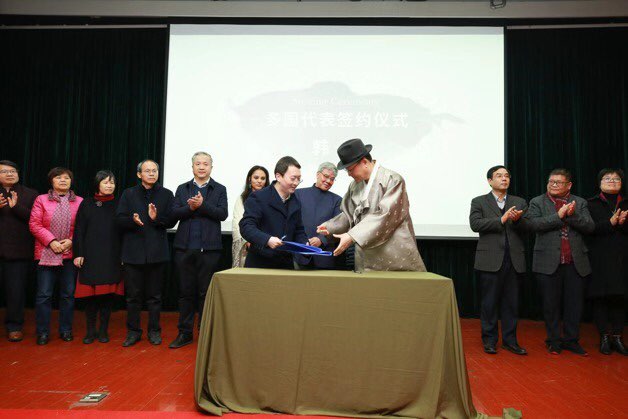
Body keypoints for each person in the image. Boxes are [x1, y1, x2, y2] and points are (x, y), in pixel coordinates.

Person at [317, 138, 426, 272]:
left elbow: (386, 215)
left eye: (350, 169)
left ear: (364, 162)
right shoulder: (354, 186)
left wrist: (352, 236)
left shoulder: (392, 180)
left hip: (394, 252)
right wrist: (330, 227)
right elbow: (349, 215)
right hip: (366, 254)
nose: (349, 174)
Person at [524, 168, 594, 356]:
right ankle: (553, 340)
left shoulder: (579, 203)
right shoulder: (537, 202)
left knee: (575, 304)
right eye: (551, 181)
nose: (553, 185)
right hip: (547, 262)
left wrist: (571, 215)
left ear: (569, 185)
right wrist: (559, 216)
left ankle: (571, 340)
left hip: (575, 262)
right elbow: (532, 224)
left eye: (558, 182)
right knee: (550, 304)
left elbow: (590, 226)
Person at [169, 152, 228, 349]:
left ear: (212, 166)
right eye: (198, 164)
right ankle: (184, 333)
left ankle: (205, 333)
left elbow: (222, 214)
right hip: (184, 249)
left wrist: (203, 205)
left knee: (205, 293)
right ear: (192, 167)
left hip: (209, 250)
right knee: (185, 293)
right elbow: (174, 213)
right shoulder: (182, 188)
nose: (201, 167)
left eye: (205, 164)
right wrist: (190, 207)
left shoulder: (219, 189)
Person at [469, 165, 528, 355]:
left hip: (514, 259)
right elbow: (475, 224)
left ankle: (510, 341)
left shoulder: (519, 201)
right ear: (489, 181)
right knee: (489, 303)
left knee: (512, 302)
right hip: (490, 260)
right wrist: (501, 220)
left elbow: (528, 227)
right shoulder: (479, 201)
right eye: (499, 176)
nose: (504, 179)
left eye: (507, 176)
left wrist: (518, 220)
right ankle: (489, 340)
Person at [116, 160, 175, 347]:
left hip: (157, 253)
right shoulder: (129, 193)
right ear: (139, 174)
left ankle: (154, 331)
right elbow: (119, 220)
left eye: (154, 170)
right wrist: (133, 221)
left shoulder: (166, 194)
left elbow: (171, 221)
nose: (151, 173)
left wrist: (156, 219)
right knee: (133, 296)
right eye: (147, 171)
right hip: (133, 253)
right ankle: (133, 332)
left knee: (155, 297)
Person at [29, 167, 83, 345]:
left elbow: (83, 228)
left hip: (70, 254)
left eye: (66, 178)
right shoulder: (41, 200)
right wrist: (52, 241)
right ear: (51, 181)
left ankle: (66, 330)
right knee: (44, 295)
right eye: (58, 178)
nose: (63, 181)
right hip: (46, 252)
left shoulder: (80, 201)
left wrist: (71, 241)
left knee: (68, 294)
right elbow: (34, 224)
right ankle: (43, 332)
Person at [73, 170, 123, 344]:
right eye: (105, 182)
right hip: (90, 255)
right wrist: (78, 253)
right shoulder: (86, 203)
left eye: (112, 182)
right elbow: (79, 230)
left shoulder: (120, 204)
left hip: (111, 255)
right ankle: (90, 331)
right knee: (90, 298)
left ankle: (103, 331)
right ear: (98, 184)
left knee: (106, 297)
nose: (109, 185)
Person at [586, 168, 628, 355]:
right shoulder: (590, 204)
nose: (612, 181)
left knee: (620, 297)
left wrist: (623, 223)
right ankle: (604, 336)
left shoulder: (626, 203)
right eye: (607, 178)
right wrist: (611, 224)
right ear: (600, 183)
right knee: (600, 298)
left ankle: (618, 337)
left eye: (616, 178)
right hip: (599, 258)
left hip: (623, 259)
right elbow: (588, 229)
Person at [239, 156, 308, 269]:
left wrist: (305, 244)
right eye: (293, 178)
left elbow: (299, 230)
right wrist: (267, 240)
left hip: (286, 265)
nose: (296, 183)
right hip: (260, 264)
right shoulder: (259, 197)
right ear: (278, 176)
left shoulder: (295, 200)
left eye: (299, 179)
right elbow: (246, 227)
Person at [0, 160, 37, 342]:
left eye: (13, 171)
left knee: (16, 291)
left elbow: (36, 220)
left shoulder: (30, 194)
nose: (9, 174)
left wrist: (16, 208)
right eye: (5, 171)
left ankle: (14, 326)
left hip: (18, 251)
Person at [294, 162, 343, 269]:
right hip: (299, 255)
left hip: (325, 257)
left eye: (332, 179)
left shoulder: (337, 200)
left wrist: (321, 239)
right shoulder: (298, 194)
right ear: (317, 174)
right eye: (326, 176)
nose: (328, 181)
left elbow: (339, 226)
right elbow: (291, 222)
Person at [231, 165, 269, 268]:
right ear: (249, 179)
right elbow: (237, 221)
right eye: (256, 178)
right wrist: (247, 240)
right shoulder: (242, 198)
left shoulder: (271, 199)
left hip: (267, 245)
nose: (259, 181)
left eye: (263, 178)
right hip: (247, 244)